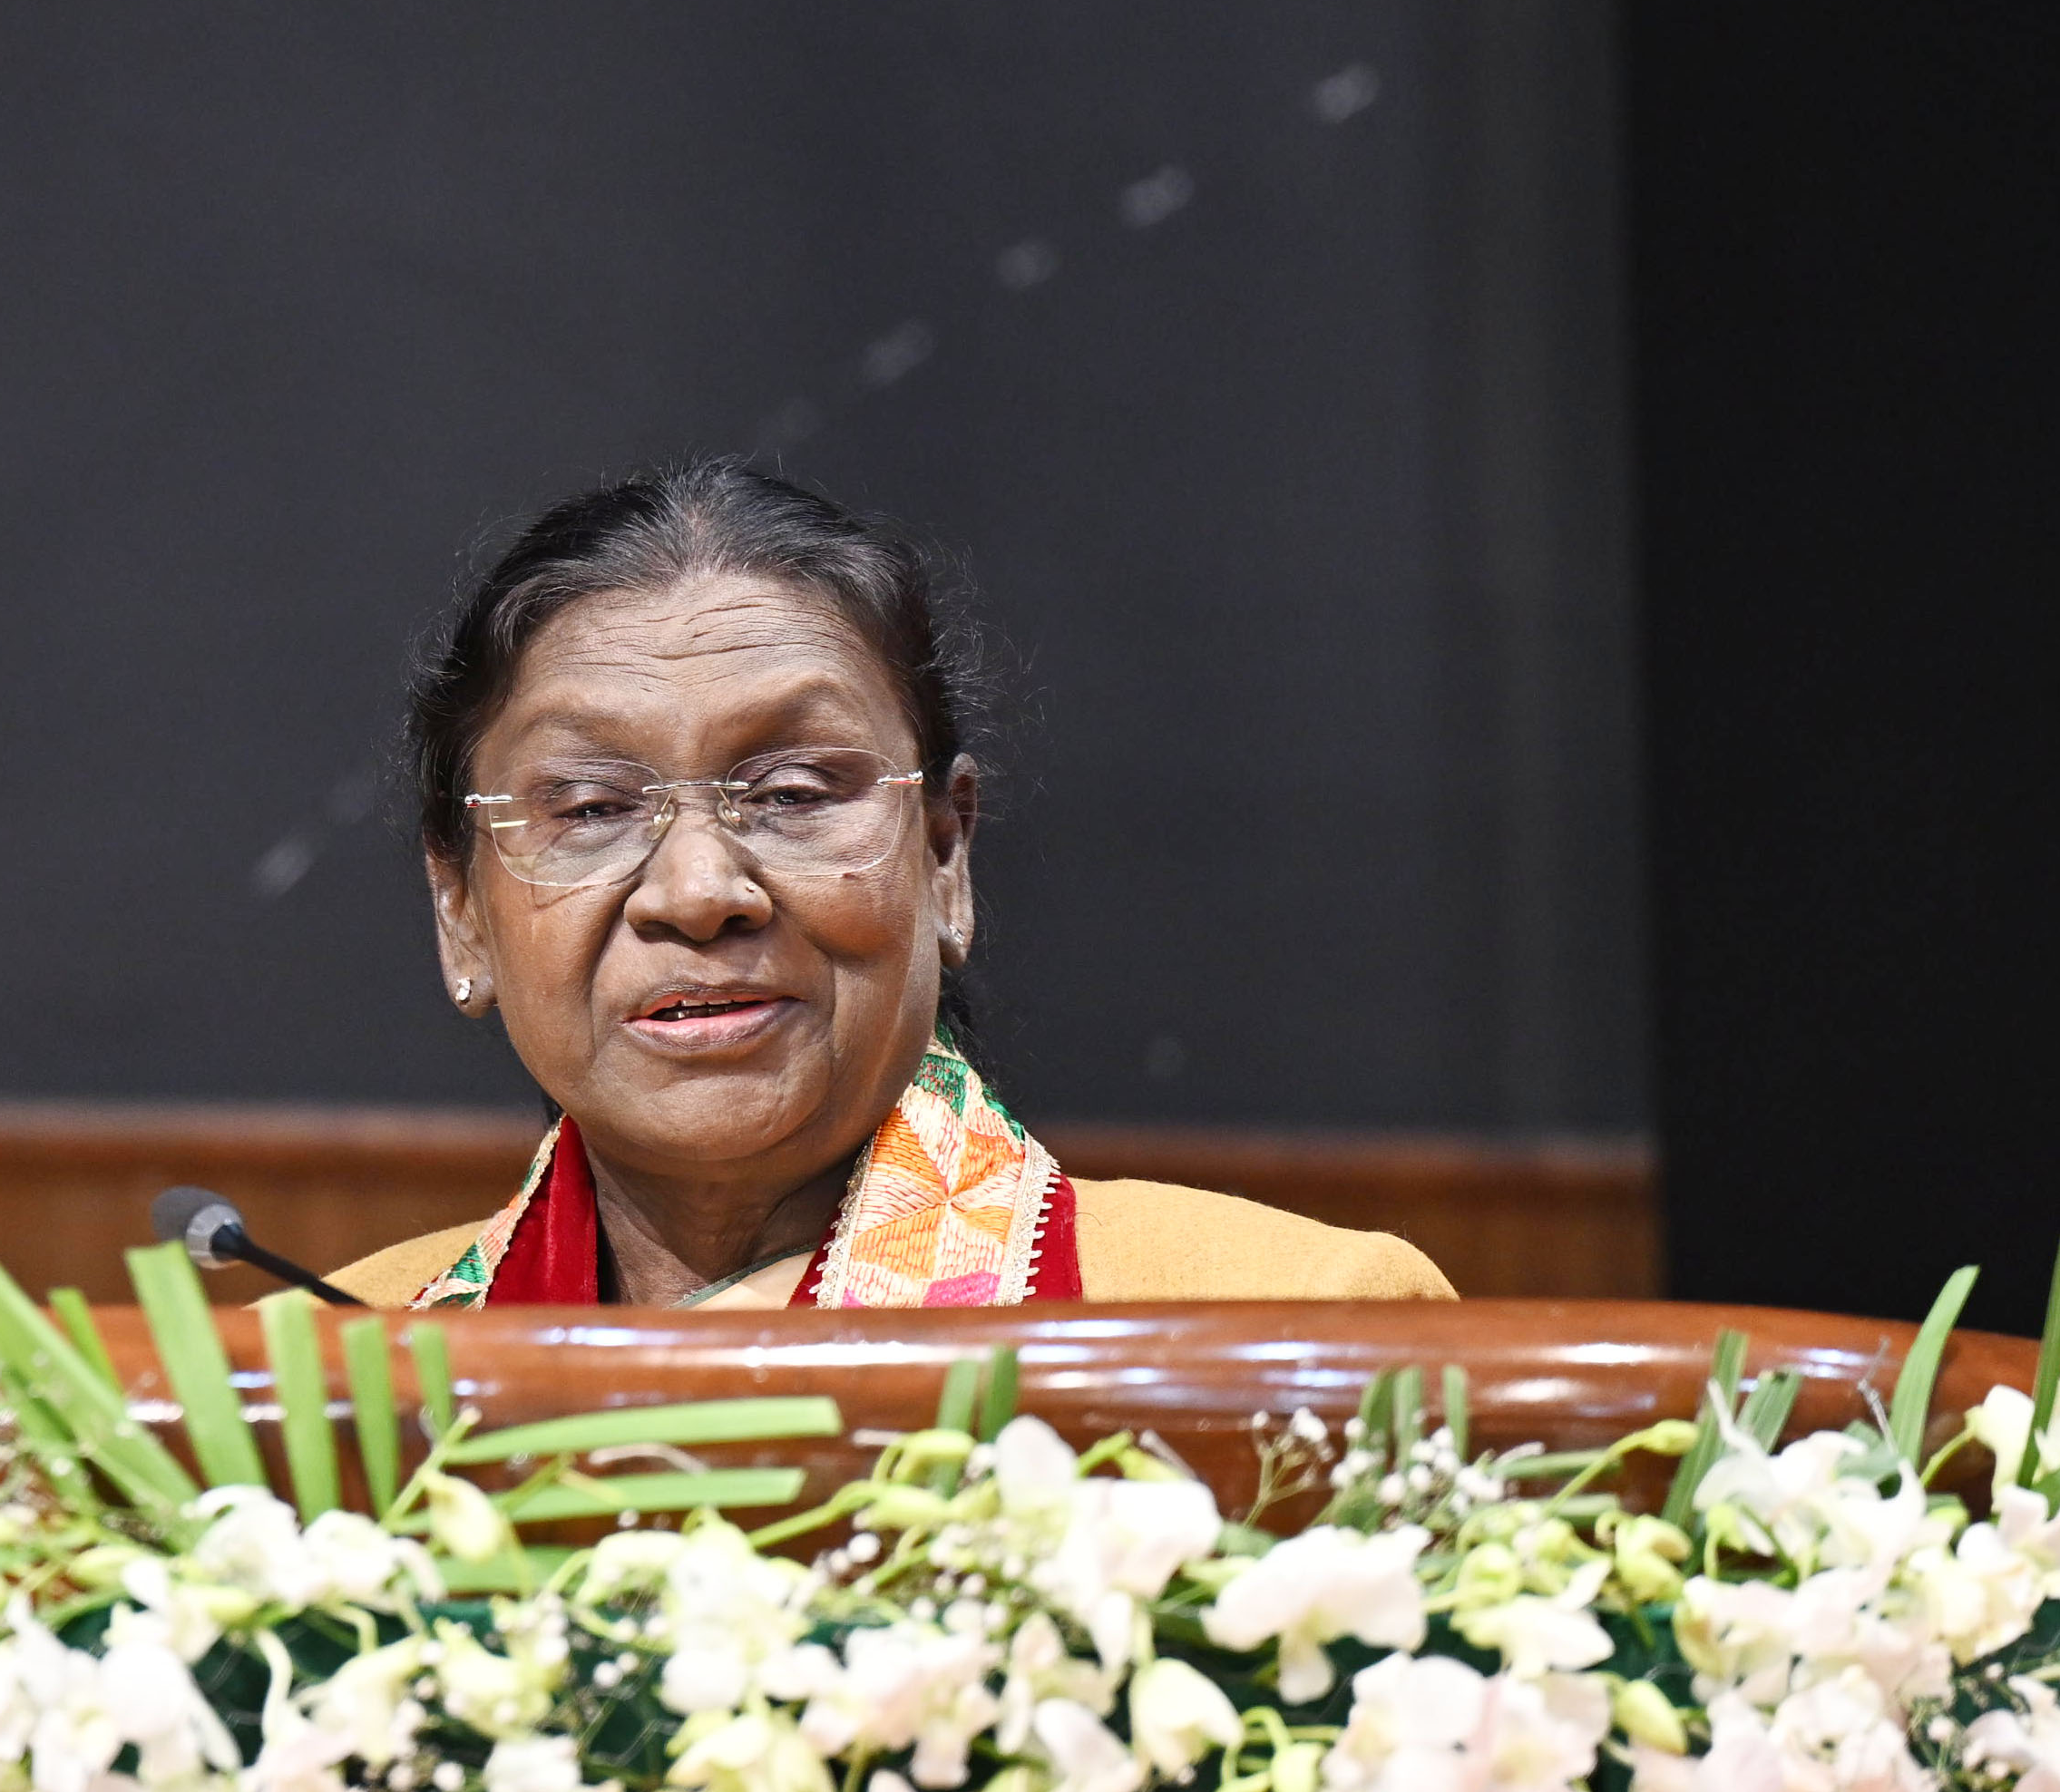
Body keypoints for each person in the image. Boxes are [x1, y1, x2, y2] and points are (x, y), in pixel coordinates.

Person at [332, 463, 1450, 1311]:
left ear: (946, 855)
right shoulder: (316, 1391)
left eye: (793, 791)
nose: (697, 889)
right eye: (589, 809)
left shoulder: (1287, 1325)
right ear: (461, 911)